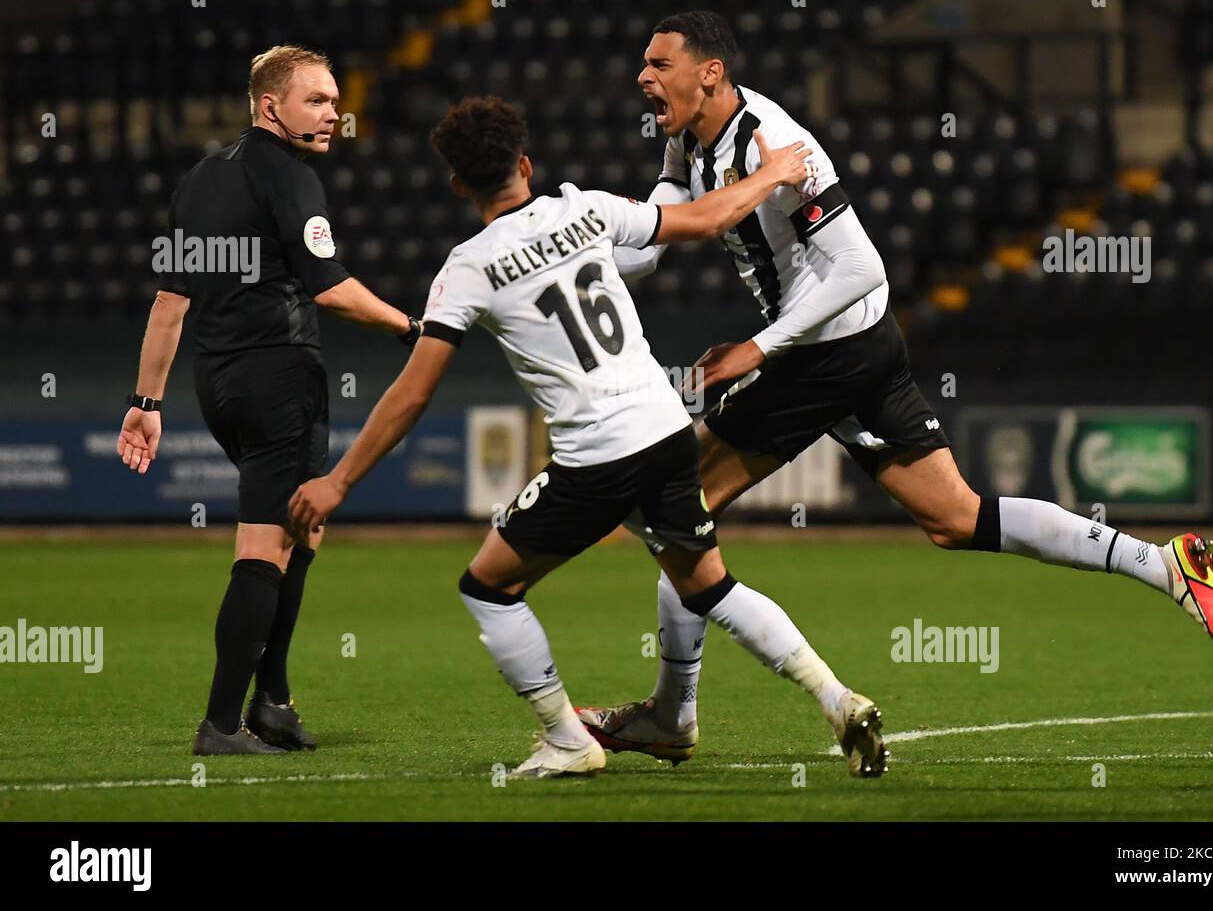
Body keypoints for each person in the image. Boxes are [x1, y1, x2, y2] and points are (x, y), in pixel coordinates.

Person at [577, 10, 1213, 764]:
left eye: (659, 63)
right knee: (955, 518)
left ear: (710, 73)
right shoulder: (685, 140)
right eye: (644, 62)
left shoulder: (779, 144)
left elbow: (864, 269)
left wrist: (758, 350)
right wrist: (580, 250)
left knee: (674, 509)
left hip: (825, 351)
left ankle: (674, 715)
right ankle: (1165, 565)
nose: (643, 75)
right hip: (856, 347)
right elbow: (662, 233)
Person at [288, 95, 888, 779]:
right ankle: (836, 698)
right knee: (708, 587)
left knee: (488, 586)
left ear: (457, 184)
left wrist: (337, 481)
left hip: (597, 456)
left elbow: (413, 392)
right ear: (525, 163)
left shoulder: (467, 268)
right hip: (666, 430)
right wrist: (772, 172)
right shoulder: (588, 208)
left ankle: (568, 740)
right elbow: (702, 218)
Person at [117, 45, 425, 755]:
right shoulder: (289, 177)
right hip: (280, 378)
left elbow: (170, 302)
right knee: (265, 545)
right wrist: (411, 326)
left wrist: (147, 401)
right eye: (316, 99)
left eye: (334, 98)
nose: (333, 111)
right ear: (270, 106)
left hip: (217, 382)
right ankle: (222, 724)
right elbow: (330, 288)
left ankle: (274, 700)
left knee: (301, 531)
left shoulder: (199, 179)